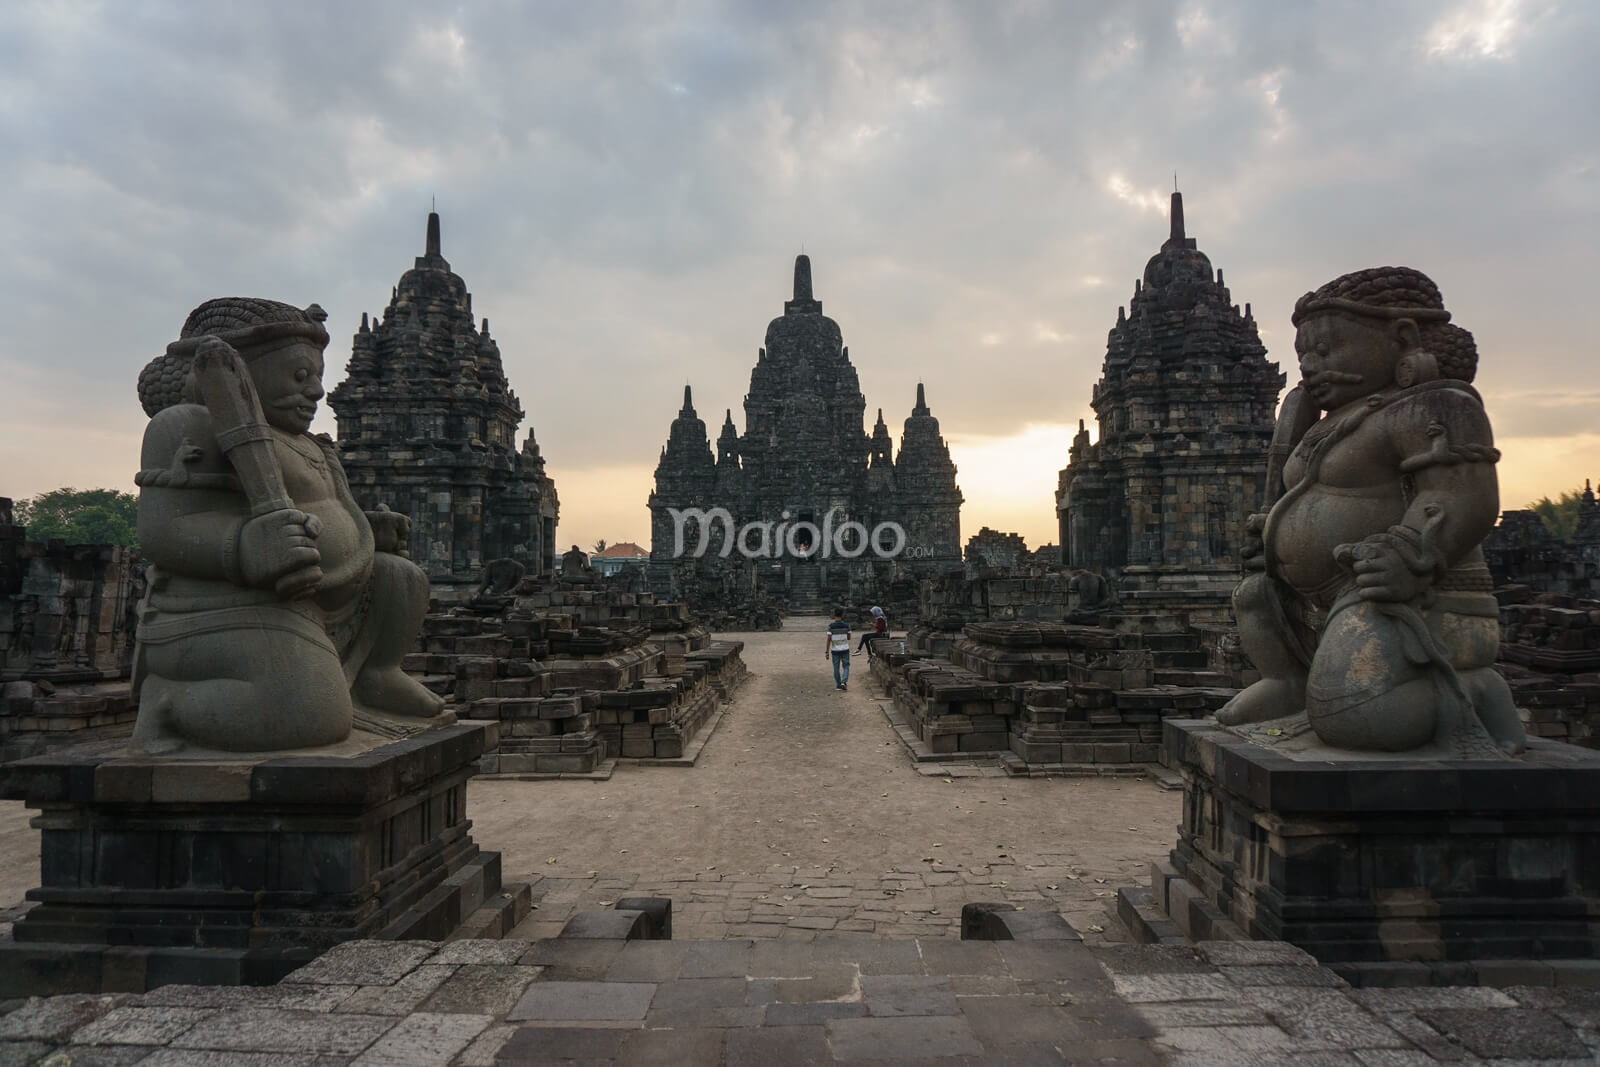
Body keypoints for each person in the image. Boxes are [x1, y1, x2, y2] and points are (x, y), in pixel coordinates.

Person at [1217, 267, 1524, 756]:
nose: (1312, 366)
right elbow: (1312, 495)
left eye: (1327, 350)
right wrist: (1273, 532)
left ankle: (1476, 692)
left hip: (1411, 601)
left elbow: (1463, 496)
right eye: (1304, 355)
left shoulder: (1437, 405)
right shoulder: (1333, 423)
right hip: (1321, 599)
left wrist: (1408, 554)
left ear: (1402, 338)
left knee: (1359, 720)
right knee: (1253, 595)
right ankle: (1288, 680)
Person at [130, 297, 444, 754]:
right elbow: (163, 531)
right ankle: (168, 702)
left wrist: (368, 527)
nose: (316, 391)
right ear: (242, 372)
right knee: (309, 714)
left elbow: (326, 506)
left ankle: (377, 672)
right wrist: (242, 546)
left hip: (326, 595)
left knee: (401, 576)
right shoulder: (188, 426)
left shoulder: (310, 445)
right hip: (229, 608)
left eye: (318, 377)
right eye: (299, 376)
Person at [825, 606, 851, 690]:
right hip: (845, 648)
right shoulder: (847, 625)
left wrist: (827, 651)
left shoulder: (831, 626)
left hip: (835, 649)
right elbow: (849, 637)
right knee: (846, 666)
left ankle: (838, 684)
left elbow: (829, 639)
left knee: (836, 667)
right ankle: (844, 681)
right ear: (842, 615)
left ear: (834, 614)